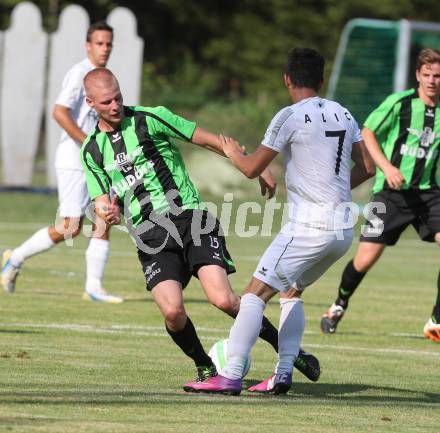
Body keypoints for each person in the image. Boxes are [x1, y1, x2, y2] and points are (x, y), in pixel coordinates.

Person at [79, 67, 322, 386]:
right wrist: (106, 211)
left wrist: (254, 166)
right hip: (150, 236)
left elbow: (209, 141)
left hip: (190, 218)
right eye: (107, 101)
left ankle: (289, 350)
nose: (115, 106)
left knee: (224, 300)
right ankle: (205, 366)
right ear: (90, 102)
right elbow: (100, 199)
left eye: (119, 97)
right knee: (172, 312)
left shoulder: (150, 118)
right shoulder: (91, 150)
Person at [184, 47, 374, 395]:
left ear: (287, 80)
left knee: (254, 294)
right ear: (321, 79)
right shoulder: (343, 113)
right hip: (343, 228)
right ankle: (284, 372)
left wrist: (232, 151)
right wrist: (334, 191)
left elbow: (251, 167)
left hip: (309, 225)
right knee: (291, 290)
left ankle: (231, 374)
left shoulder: (288, 116)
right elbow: (369, 167)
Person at [321, 48, 440, 342]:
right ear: (417, 75)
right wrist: (386, 167)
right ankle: (339, 304)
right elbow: (368, 131)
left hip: (429, 194)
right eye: (427, 75)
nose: (432, 81)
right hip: (390, 195)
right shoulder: (399, 103)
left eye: (437, 76)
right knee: (364, 261)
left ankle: (436, 320)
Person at [1, 21, 123, 303]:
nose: (105, 48)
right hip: (74, 159)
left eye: (109, 44)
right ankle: (15, 258)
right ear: (88, 45)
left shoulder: (103, 76)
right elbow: (59, 112)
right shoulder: (79, 73)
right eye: (99, 43)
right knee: (70, 227)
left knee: (106, 214)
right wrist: (89, 144)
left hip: (97, 160)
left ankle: (94, 286)